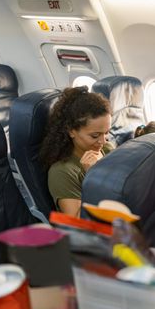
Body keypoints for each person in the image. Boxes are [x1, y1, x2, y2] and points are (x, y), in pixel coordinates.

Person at [40, 86, 113, 217]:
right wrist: (93, 176)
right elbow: (78, 222)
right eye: (95, 136)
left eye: (106, 133)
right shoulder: (62, 172)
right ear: (71, 131)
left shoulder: (107, 149)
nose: (103, 141)